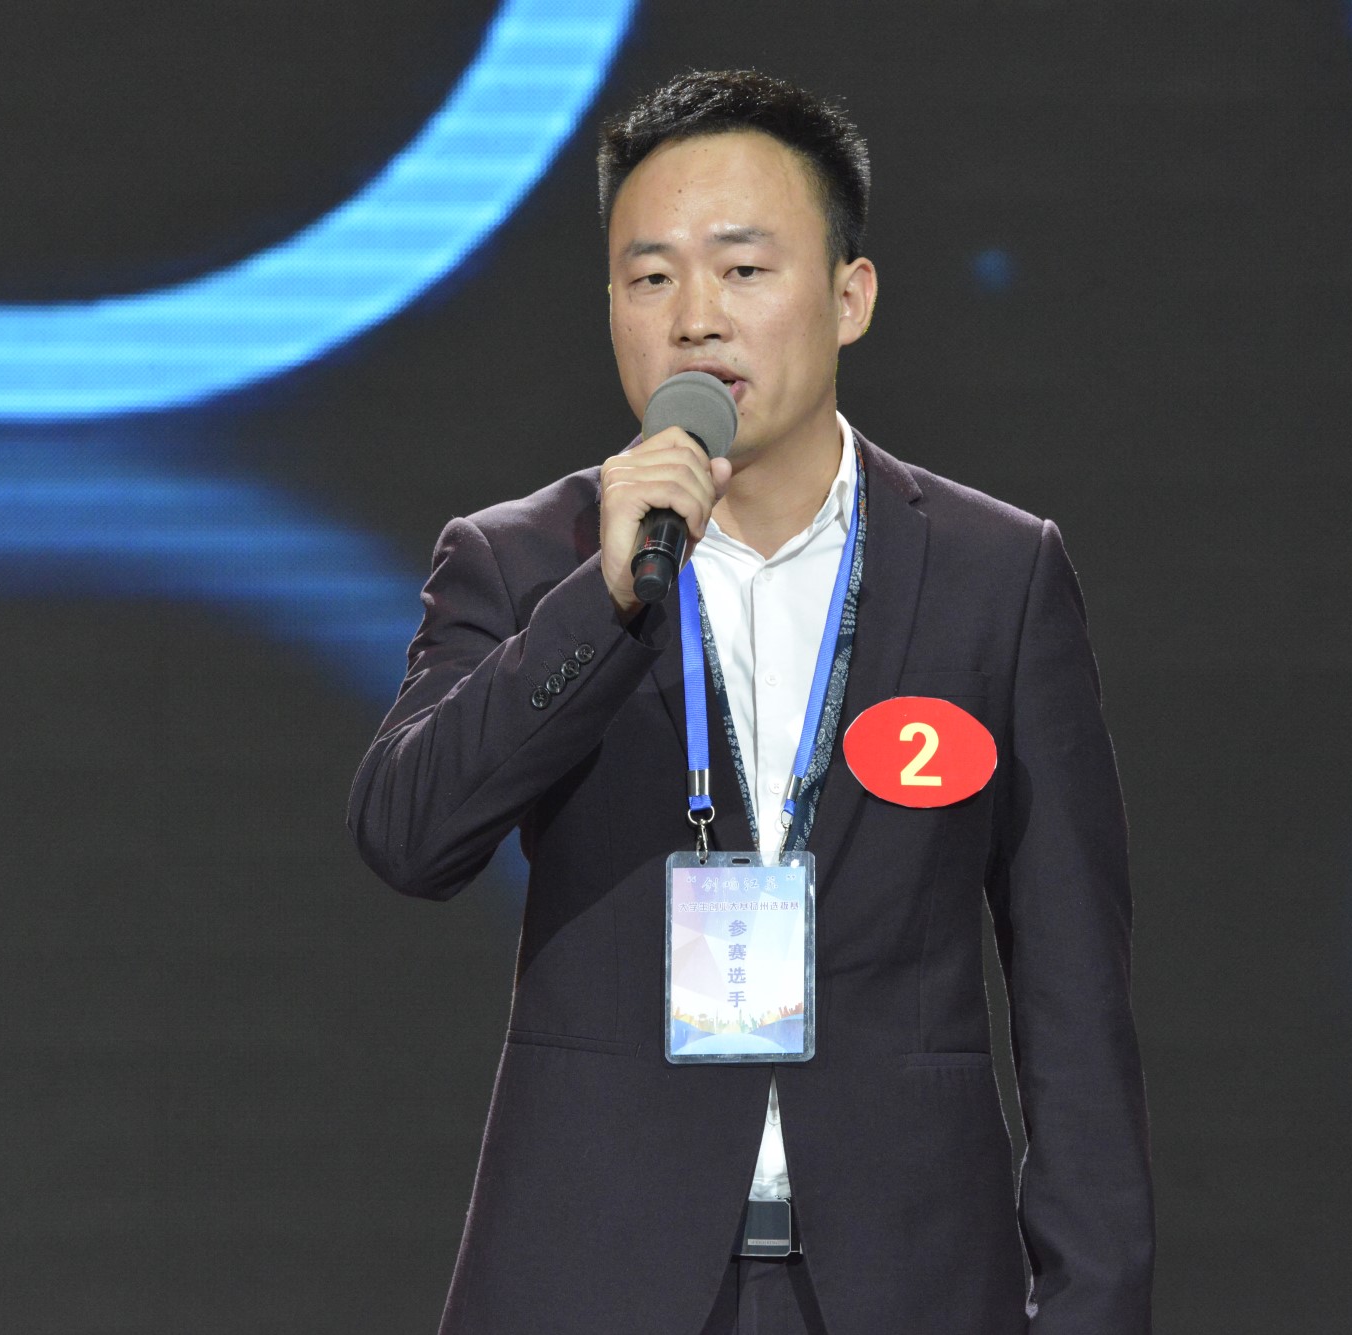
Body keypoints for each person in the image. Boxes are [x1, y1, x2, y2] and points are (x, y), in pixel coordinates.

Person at [348, 68, 1152, 1335]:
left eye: (741, 270)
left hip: (906, 1281)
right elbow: (408, 835)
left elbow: (1070, 990)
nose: (693, 320)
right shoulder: (524, 560)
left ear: (849, 296)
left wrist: (1093, 1303)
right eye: (648, 277)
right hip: (593, 1277)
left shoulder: (994, 576)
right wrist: (603, 601)